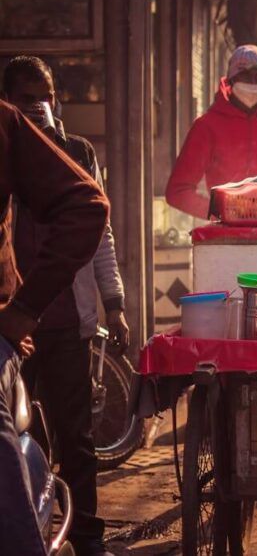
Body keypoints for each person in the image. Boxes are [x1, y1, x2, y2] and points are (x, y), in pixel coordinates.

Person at [2, 57, 127, 556]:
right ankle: (39, 527)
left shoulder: (75, 153)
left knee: (76, 440)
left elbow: (99, 229)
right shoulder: (10, 149)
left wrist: (113, 302)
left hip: (62, 321)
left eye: (44, 95)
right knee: (26, 439)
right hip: (14, 330)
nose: (36, 105)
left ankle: (87, 537)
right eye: (25, 96)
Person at [166, 44, 257, 219]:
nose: (252, 83)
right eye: (245, 76)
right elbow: (177, 191)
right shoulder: (207, 126)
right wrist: (219, 210)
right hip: (229, 237)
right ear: (231, 78)